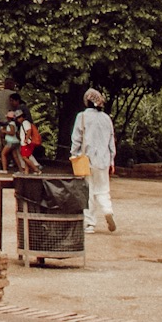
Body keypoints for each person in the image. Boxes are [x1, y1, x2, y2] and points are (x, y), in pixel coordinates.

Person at [69, 89, 117, 233]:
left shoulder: (82, 117)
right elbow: (111, 141)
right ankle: (108, 211)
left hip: (86, 160)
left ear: (86, 101)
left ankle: (90, 224)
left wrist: (73, 154)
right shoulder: (106, 118)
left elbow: (76, 138)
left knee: (87, 191)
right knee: (103, 189)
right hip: (103, 160)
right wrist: (112, 161)